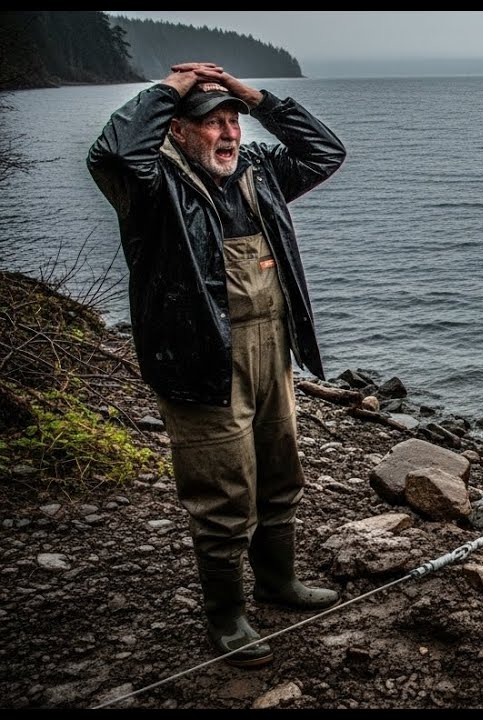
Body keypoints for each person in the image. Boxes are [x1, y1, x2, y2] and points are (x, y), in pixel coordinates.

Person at [87, 62, 347, 667]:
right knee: (224, 495)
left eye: (233, 122)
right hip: (201, 360)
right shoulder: (152, 188)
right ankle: (226, 617)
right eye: (212, 125)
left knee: (281, 474)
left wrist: (251, 96)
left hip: (270, 349)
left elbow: (326, 150)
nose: (228, 134)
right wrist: (173, 89)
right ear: (177, 131)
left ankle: (278, 584)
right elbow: (115, 152)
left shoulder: (263, 172)